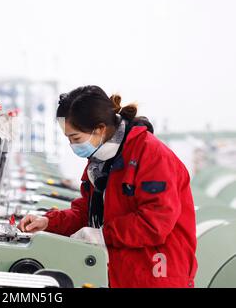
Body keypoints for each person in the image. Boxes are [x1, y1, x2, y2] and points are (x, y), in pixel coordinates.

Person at [17, 86, 197, 288]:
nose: (72, 145)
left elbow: (155, 223)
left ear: (100, 129)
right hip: (119, 273)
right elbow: (89, 213)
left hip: (155, 276)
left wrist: (101, 235)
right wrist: (49, 223)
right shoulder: (100, 161)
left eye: (75, 138)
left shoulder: (151, 155)